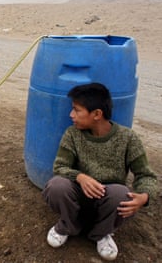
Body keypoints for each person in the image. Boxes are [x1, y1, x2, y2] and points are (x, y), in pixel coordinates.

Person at [42, 83, 158, 261]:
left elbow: (146, 175)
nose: (71, 115)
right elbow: (60, 167)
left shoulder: (128, 138)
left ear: (97, 114)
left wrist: (144, 197)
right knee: (56, 186)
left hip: (107, 201)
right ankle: (67, 226)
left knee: (122, 194)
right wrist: (80, 177)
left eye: (76, 110)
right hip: (78, 196)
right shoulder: (73, 135)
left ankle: (102, 233)